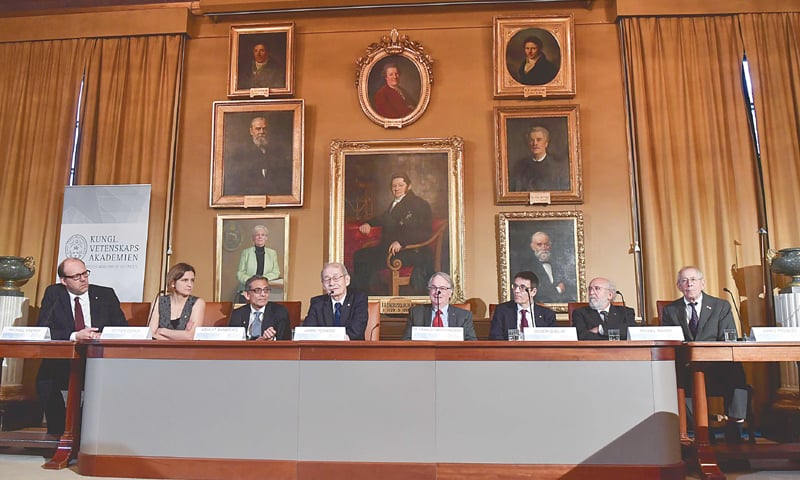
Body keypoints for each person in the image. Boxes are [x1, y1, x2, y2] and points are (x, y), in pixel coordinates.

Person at [36, 258, 128, 435]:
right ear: (64, 280)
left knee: (103, 379)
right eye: (77, 276)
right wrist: (75, 335)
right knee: (44, 380)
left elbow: (122, 328)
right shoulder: (54, 294)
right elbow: (43, 328)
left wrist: (102, 336)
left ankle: (82, 431)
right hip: (65, 356)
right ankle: (59, 432)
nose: (83, 279)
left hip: (98, 358)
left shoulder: (106, 294)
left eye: (85, 273)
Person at [661, 266, 749, 442]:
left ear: (702, 283)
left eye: (693, 280)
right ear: (679, 286)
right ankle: (704, 435)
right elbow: (669, 341)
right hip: (688, 368)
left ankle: (734, 427)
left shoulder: (720, 306)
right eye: (684, 280)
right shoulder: (671, 310)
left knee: (736, 372)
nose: (689, 284)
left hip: (717, 367)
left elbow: (727, 337)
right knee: (676, 379)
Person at [351, 173, 434, 295]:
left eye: (401, 185)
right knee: (360, 255)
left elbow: (424, 232)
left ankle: (364, 297)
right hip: (391, 249)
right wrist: (368, 223)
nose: (397, 188)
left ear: (409, 186)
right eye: (394, 186)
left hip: (412, 251)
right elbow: (384, 218)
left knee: (365, 259)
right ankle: (364, 298)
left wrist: (402, 242)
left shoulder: (419, 204)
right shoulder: (396, 203)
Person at [223, 115, 292, 196]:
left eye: (264, 128)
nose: (262, 132)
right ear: (251, 131)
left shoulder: (278, 153)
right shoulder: (240, 153)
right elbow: (236, 183)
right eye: (258, 129)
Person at [303, 262, 368, 340]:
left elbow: (356, 331)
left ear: (347, 280)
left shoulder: (358, 299)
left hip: (351, 349)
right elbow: (308, 331)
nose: (331, 283)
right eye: (327, 279)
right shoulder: (317, 303)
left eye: (336, 278)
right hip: (324, 349)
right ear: (323, 285)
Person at [402, 272, 476, 340]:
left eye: (442, 288)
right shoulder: (416, 314)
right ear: (429, 291)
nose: (437, 292)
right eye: (434, 287)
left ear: (450, 292)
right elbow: (406, 341)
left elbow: (471, 343)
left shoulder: (464, 316)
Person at [489, 271, 556, 340]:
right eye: (515, 286)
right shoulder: (502, 311)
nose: (516, 291)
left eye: (522, 287)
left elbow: (552, 341)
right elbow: (495, 338)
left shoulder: (547, 315)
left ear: (533, 292)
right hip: (510, 350)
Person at [148, 263, 206, 340]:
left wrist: (162, 331)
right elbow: (151, 334)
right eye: (185, 280)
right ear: (173, 283)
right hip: (161, 349)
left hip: (186, 350)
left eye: (192, 280)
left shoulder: (198, 303)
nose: (190, 285)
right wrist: (177, 339)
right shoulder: (159, 301)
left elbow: (190, 336)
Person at [518, 231, 573, 303]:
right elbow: (533, 292)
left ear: (550, 246)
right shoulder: (527, 266)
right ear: (533, 247)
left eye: (546, 244)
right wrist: (558, 290)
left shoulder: (557, 264)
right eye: (539, 245)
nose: (544, 248)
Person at [510, 126, 570, 192]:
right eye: (531, 140)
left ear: (546, 143)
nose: (535, 143)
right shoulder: (520, 167)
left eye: (539, 140)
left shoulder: (557, 168)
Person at [229, 275, 289, 340]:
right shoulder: (237, 314)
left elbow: (285, 340)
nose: (263, 294)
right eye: (258, 290)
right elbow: (233, 341)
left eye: (266, 290)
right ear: (247, 295)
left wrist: (272, 339)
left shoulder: (279, 312)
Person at [236, 225, 280, 301]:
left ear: (266, 238)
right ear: (253, 238)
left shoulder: (272, 253)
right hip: (247, 291)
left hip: (264, 292)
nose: (260, 237)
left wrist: (262, 280)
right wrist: (252, 281)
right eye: (257, 235)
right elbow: (240, 273)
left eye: (263, 235)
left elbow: (276, 272)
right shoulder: (246, 252)